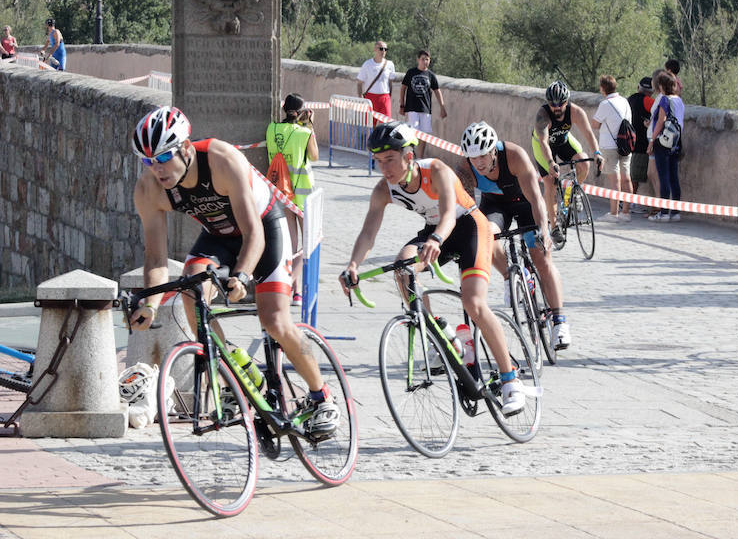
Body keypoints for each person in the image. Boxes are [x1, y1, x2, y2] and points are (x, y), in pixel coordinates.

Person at [130, 106, 339, 436]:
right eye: (147, 161)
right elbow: (156, 258)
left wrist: (242, 275)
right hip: (218, 236)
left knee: (274, 321)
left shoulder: (221, 159)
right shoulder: (149, 189)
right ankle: (233, 377)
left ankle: (321, 396)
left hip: (264, 228)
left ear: (185, 148)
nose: (156, 168)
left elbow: (253, 233)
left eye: (163, 157)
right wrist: (150, 305)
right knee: (192, 292)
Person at [339, 121, 528, 415]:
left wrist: (438, 238)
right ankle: (443, 334)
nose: (384, 168)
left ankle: (510, 379)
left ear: (409, 157)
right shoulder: (383, 189)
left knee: (473, 302)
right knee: (403, 267)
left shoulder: (436, 169)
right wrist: (352, 264)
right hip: (435, 231)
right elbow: (368, 233)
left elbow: (450, 213)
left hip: (469, 227)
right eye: (378, 161)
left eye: (390, 159)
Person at [456, 121, 571, 350]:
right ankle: (511, 276)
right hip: (495, 206)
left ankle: (559, 321)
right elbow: (466, 211)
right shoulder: (465, 169)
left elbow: (537, 199)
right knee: (485, 234)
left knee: (541, 257)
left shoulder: (514, 155)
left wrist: (543, 231)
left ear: (493, 151)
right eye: (473, 157)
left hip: (525, 203)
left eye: (482, 156)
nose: (478, 162)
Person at [265, 93, 319, 305]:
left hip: (280, 191)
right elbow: (314, 156)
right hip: (302, 192)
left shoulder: (271, 129)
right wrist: (310, 126)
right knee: (307, 244)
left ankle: (290, 289)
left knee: (290, 243)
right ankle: (297, 288)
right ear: (302, 112)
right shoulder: (304, 132)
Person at [532, 80, 601, 243]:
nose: (556, 107)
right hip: (544, 147)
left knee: (584, 162)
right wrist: (550, 163)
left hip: (563, 141)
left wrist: (597, 153)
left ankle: (573, 192)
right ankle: (554, 227)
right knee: (551, 182)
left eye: (561, 104)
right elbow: (543, 143)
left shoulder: (576, 112)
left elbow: (589, 134)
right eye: (552, 104)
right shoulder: (543, 115)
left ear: (567, 101)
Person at [591, 75, 633, 222]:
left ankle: (614, 213)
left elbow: (595, 124)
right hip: (626, 145)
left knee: (614, 181)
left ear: (603, 88)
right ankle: (626, 212)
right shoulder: (625, 101)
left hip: (609, 146)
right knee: (626, 179)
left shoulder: (605, 104)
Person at [647, 71, 684, 222]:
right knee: (674, 178)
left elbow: (661, 120)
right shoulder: (679, 101)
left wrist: (652, 141)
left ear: (661, 85)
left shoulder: (665, 100)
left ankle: (663, 213)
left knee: (663, 177)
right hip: (676, 142)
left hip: (663, 141)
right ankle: (675, 212)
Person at [399, 50, 447, 157]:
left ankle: (420, 157)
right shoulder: (411, 72)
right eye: (423, 59)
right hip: (412, 107)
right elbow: (403, 88)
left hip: (425, 108)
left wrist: (442, 107)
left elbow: (437, 91)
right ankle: (410, 153)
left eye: (427, 59)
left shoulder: (431, 75)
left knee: (424, 135)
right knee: (413, 132)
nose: (425, 61)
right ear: (418, 60)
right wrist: (402, 105)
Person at [627, 76, 656, 212]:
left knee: (631, 174)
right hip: (641, 143)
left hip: (628, 141)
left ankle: (628, 201)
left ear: (638, 87)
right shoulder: (648, 101)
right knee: (636, 176)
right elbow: (659, 114)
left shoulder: (630, 99)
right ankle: (630, 202)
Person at [356, 40, 394, 120]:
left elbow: (390, 82)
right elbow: (359, 82)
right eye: (381, 48)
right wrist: (360, 98)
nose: (383, 51)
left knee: (386, 123)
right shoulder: (367, 64)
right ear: (375, 49)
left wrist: (389, 97)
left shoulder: (390, 64)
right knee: (370, 124)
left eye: (385, 49)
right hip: (370, 97)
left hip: (385, 97)